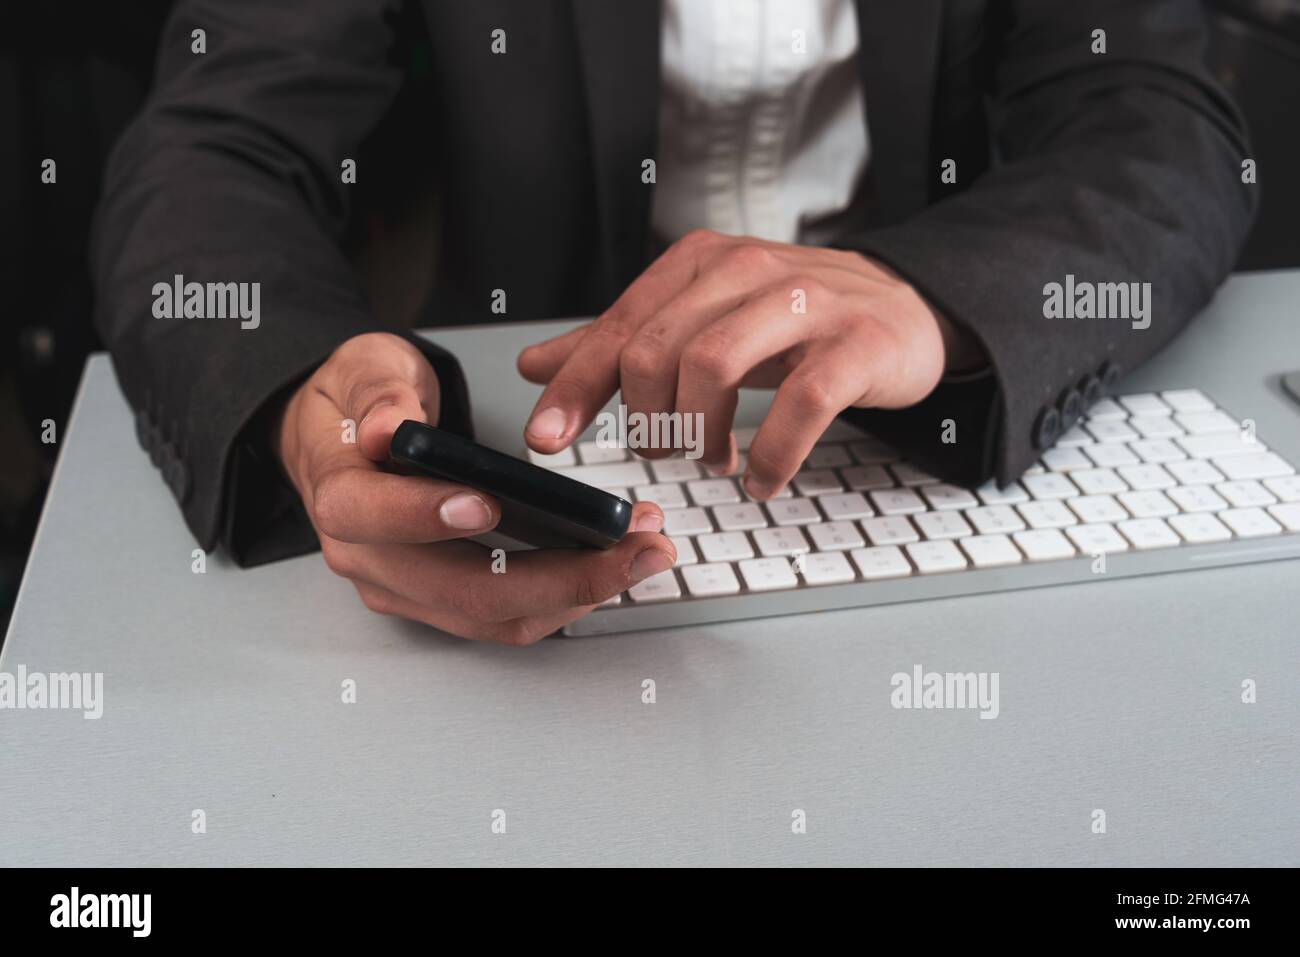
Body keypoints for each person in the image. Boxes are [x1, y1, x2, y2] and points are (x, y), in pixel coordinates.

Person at [90, 0, 1255, 643]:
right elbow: (210, 151)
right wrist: (306, 384)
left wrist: (936, 296)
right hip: (542, 422)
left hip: (902, 430)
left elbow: (1158, 120)